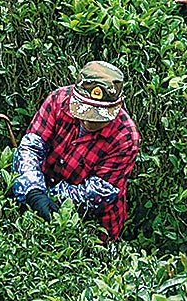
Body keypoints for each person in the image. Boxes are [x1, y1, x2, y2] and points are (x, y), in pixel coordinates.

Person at [11, 61, 139, 240]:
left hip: (94, 222)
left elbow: (98, 192)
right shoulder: (58, 100)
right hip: (42, 193)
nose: (89, 122)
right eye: (85, 112)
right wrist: (33, 190)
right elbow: (31, 147)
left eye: (98, 117)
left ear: (117, 107)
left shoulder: (125, 137)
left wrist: (50, 198)